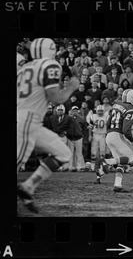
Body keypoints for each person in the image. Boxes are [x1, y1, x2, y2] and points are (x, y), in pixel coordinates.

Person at [17, 38, 80, 213]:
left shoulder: (25, 68)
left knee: (63, 153)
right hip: (27, 120)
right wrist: (72, 87)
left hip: (30, 121)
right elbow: (56, 99)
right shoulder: (49, 65)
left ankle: (28, 187)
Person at [101, 89, 133, 192]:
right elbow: (125, 130)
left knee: (121, 162)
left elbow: (108, 121)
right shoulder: (131, 110)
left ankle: (117, 184)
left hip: (109, 135)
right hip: (117, 135)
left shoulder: (116, 105)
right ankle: (106, 162)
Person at [88, 105, 109, 183]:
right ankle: (93, 167)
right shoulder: (93, 116)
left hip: (103, 135)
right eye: (99, 111)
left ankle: (101, 167)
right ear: (96, 111)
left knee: (102, 152)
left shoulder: (106, 116)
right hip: (95, 134)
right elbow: (90, 127)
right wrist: (90, 135)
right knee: (93, 152)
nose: (100, 112)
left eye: (101, 111)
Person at [66, 106, 87, 172]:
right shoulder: (68, 119)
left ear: (78, 111)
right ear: (71, 111)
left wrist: (82, 135)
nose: (75, 111)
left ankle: (79, 166)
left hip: (78, 137)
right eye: (73, 110)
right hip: (70, 137)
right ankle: (70, 166)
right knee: (70, 153)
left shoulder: (81, 119)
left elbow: (84, 128)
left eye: (76, 110)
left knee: (79, 153)